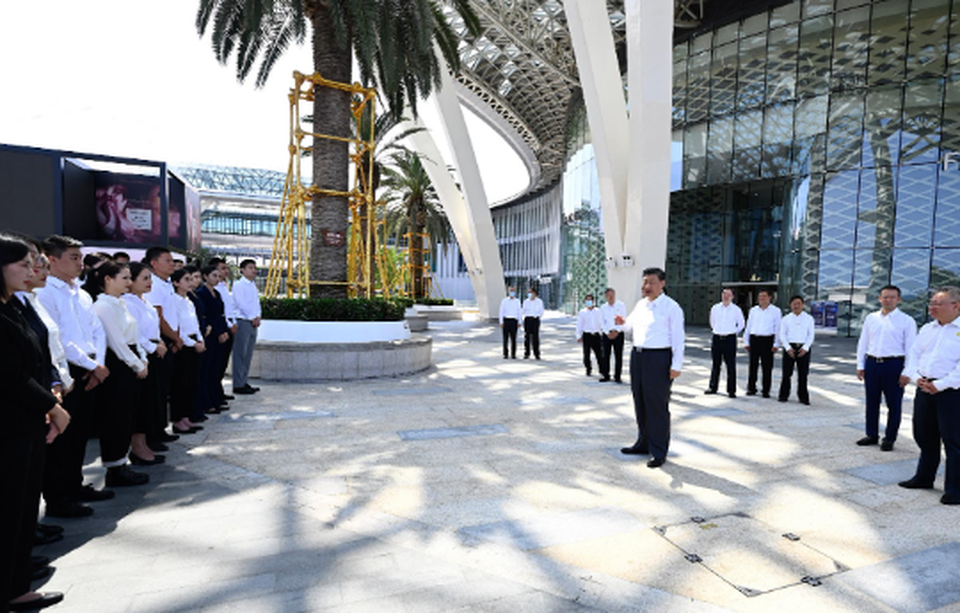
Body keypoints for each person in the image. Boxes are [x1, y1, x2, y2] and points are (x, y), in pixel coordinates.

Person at [0, 233, 69, 612]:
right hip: (10, 424)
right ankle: (12, 589)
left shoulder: (13, 307)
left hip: (26, 419)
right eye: (24, 264)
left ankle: (15, 578)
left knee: (21, 504)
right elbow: (10, 373)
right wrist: (53, 405)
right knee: (11, 504)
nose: (32, 271)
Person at [35, 236, 113, 518]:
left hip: (90, 368)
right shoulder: (45, 293)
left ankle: (74, 485)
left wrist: (98, 365)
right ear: (51, 259)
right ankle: (58, 498)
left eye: (81, 257)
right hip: (66, 370)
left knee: (79, 434)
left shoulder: (81, 293)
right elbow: (60, 339)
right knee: (62, 439)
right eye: (73, 257)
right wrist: (91, 365)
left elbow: (97, 331)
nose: (80, 263)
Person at [616, 268, 685, 468]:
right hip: (638, 356)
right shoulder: (640, 305)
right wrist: (622, 323)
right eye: (644, 282)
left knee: (657, 405)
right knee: (640, 401)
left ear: (662, 283)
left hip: (659, 358)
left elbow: (679, 340)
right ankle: (643, 443)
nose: (646, 287)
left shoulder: (672, 307)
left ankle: (658, 450)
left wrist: (676, 365)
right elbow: (631, 327)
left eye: (651, 282)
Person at [90, 261, 151, 486]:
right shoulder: (103, 306)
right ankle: (114, 467)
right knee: (116, 415)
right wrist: (137, 364)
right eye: (124, 278)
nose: (128, 282)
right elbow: (116, 342)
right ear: (108, 279)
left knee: (127, 415)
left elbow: (134, 334)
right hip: (119, 364)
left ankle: (121, 463)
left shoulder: (119, 302)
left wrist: (142, 358)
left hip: (132, 359)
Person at [899, 287, 960, 504]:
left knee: (953, 440)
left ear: (956, 305)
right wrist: (917, 377)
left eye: (937, 303)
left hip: (952, 393)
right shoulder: (927, 328)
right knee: (924, 435)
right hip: (924, 388)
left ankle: (955, 489)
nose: (932, 307)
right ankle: (924, 477)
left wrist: (941, 385)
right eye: (931, 303)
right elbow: (914, 354)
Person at [855, 285, 917, 451]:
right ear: (879, 298)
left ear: (899, 299)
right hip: (872, 364)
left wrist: (907, 372)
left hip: (894, 365)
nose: (888, 300)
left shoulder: (907, 321)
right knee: (871, 402)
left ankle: (889, 438)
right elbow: (863, 342)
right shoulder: (871, 318)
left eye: (892, 297)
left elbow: (912, 349)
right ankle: (872, 434)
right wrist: (860, 365)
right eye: (885, 297)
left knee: (894, 404)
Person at [124, 262, 169, 462]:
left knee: (153, 400)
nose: (150, 282)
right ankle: (138, 447)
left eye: (150, 278)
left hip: (154, 351)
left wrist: (159, 341)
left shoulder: (145, 301)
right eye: (144, 278)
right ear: (131, 281)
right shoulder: (127, 303)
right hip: (143, 355)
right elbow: (134, 334)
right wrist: (152, 347)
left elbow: (152, 328)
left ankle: (147, 442)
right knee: (140, 403)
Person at [143, 247, 180, 446]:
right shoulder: (154, 285)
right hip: (160, 342)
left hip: (170, 341)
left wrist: (176, 337)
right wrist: (173, 338)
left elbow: (173, 314)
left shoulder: (166, 284)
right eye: (167, 260)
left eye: (172, 260)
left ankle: (160, 428)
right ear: (154, 263)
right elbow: (158, 317)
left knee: (164, 389)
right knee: (156, 392)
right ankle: (153, 433)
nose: (172, 264)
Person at [169, 268, 205, 434]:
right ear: (176, 283)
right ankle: (177, 420)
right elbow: (177, 328)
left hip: (194, 343)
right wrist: (191, 342)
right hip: (183, 346)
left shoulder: (189, 301)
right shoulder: (173, 301)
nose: (190, 283)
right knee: (180, 384)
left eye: (191, 279)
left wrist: (200, 340)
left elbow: (195, 324)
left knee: (191, 383)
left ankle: (186, 417)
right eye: (186, 279)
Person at [196, 265, 230, 418]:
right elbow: (206, 316)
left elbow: (220, 314)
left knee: (216, 369)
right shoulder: (201, 293)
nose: (217, 278)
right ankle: (206, 402)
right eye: (214, 276)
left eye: (218, 276)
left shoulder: (216, 293)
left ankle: (215, 399)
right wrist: (216, 332)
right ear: (205, 277)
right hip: (210, 335)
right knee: (207, 370)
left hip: (220, 335)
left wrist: (224, 331)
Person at [706, 288, 745, 398]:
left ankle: (731, 390)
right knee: (715, 364)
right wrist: (718, 331)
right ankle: (713, 386)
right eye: (724, 294)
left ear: (732, 296)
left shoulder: (736, 309)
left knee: (731, 365)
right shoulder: (715, 308)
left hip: (730, 339)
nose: (725, 296)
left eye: (728, 294)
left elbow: (741, 324)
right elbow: (712, 322)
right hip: (717, 338)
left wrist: (733, 332)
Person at [231, 259, 261, 395]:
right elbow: (241, 303)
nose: (253, 270)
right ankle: (238, 383)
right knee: (240, 354)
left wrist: (258, 316)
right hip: (243, 321)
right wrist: (251, 317)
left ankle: (243, 380)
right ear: (242, 270)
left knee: (248, 354)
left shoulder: (252, 285)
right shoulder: (238, 285)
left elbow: (256, 303)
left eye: (254, 268)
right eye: (250, 268)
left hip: (253, 322)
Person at [743, 289, 781, 398]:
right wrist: (746, 341)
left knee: (767, 367)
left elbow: (778, 328)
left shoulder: (776, 311)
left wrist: (776, 344)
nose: (762, 299)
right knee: (753, 366)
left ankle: (766, 390)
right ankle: (751, 388)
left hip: (767, 340)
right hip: (754, 339)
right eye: (760, 297)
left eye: (764, 296)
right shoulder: (753, 310)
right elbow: (748, 326)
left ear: (770, 297)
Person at [778, 295, 815, 405]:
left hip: (803, 348)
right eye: (794, 303)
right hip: (789, 347)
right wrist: (787, 348)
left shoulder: (809, 319)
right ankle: (784, 395)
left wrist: (805, 348)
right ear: (790, 305)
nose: (796, 306)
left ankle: (803, 397)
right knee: (786, 374)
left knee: (803, 375)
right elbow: (782, 334)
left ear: (803, 305)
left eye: (799, 303)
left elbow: (811, 335)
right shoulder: (786, 319)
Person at [211, 258, 238, 402]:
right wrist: (227, 325)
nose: (225, 271)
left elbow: (229, 308)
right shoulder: (212, 289)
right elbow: (217, 313)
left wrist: (233, 323)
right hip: (221, 329)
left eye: (226, 268)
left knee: (222, 364)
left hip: (228, 328)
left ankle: (218, 392)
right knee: (215, 365)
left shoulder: (223, 286)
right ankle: (214, 394)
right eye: (222, 268)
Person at [599, 288, 627, 383]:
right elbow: (602, 322)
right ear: (606, 297)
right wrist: (607, 332)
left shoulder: (621, 305)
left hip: (618, 333)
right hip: (607, 334)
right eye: (608, 295)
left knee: (618, 355)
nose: (611, 297)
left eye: (612, 295)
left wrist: (617, 331)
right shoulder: (603, 308)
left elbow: (623, 319)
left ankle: (617, 376)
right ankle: (606, 375)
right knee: (605, 355)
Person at [576, 294, 603, 377]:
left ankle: (602, 369)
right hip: (587, 335)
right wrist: (578, 335)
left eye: (590, 300)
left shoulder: (598, 311)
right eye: (587, 300)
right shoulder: (582, 312)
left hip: (596, 335)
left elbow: (601, 323)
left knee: (600, 354)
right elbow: (579, 324)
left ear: (593, 301)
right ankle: (588, 368)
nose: (589, 302)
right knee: (586, 354)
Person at [521, 287, 544, 360]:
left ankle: (536, 353)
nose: (529, 294)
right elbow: (523, 310)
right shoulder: (526, 301)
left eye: (530, 292)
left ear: (534, 293)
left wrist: (537, 317)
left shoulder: (539, 302)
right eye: (528, 292)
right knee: (527, 337)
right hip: (528, 319)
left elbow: (541, 311)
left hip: (535, 319)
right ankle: (527, 353)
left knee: (535, 337)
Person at [498, 286, 521, 359]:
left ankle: (513, 354)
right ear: (508, 291)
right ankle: (505, 353)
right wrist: (501, 321)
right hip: (506, 320)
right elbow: (501, 312)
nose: (512, 292)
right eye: (511, 290)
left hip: (514, 321)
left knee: (514, 338)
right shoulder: (504, 301)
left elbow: (519, 312)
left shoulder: (517, 301)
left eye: (513, 291)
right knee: (505, 338)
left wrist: (520, 321)